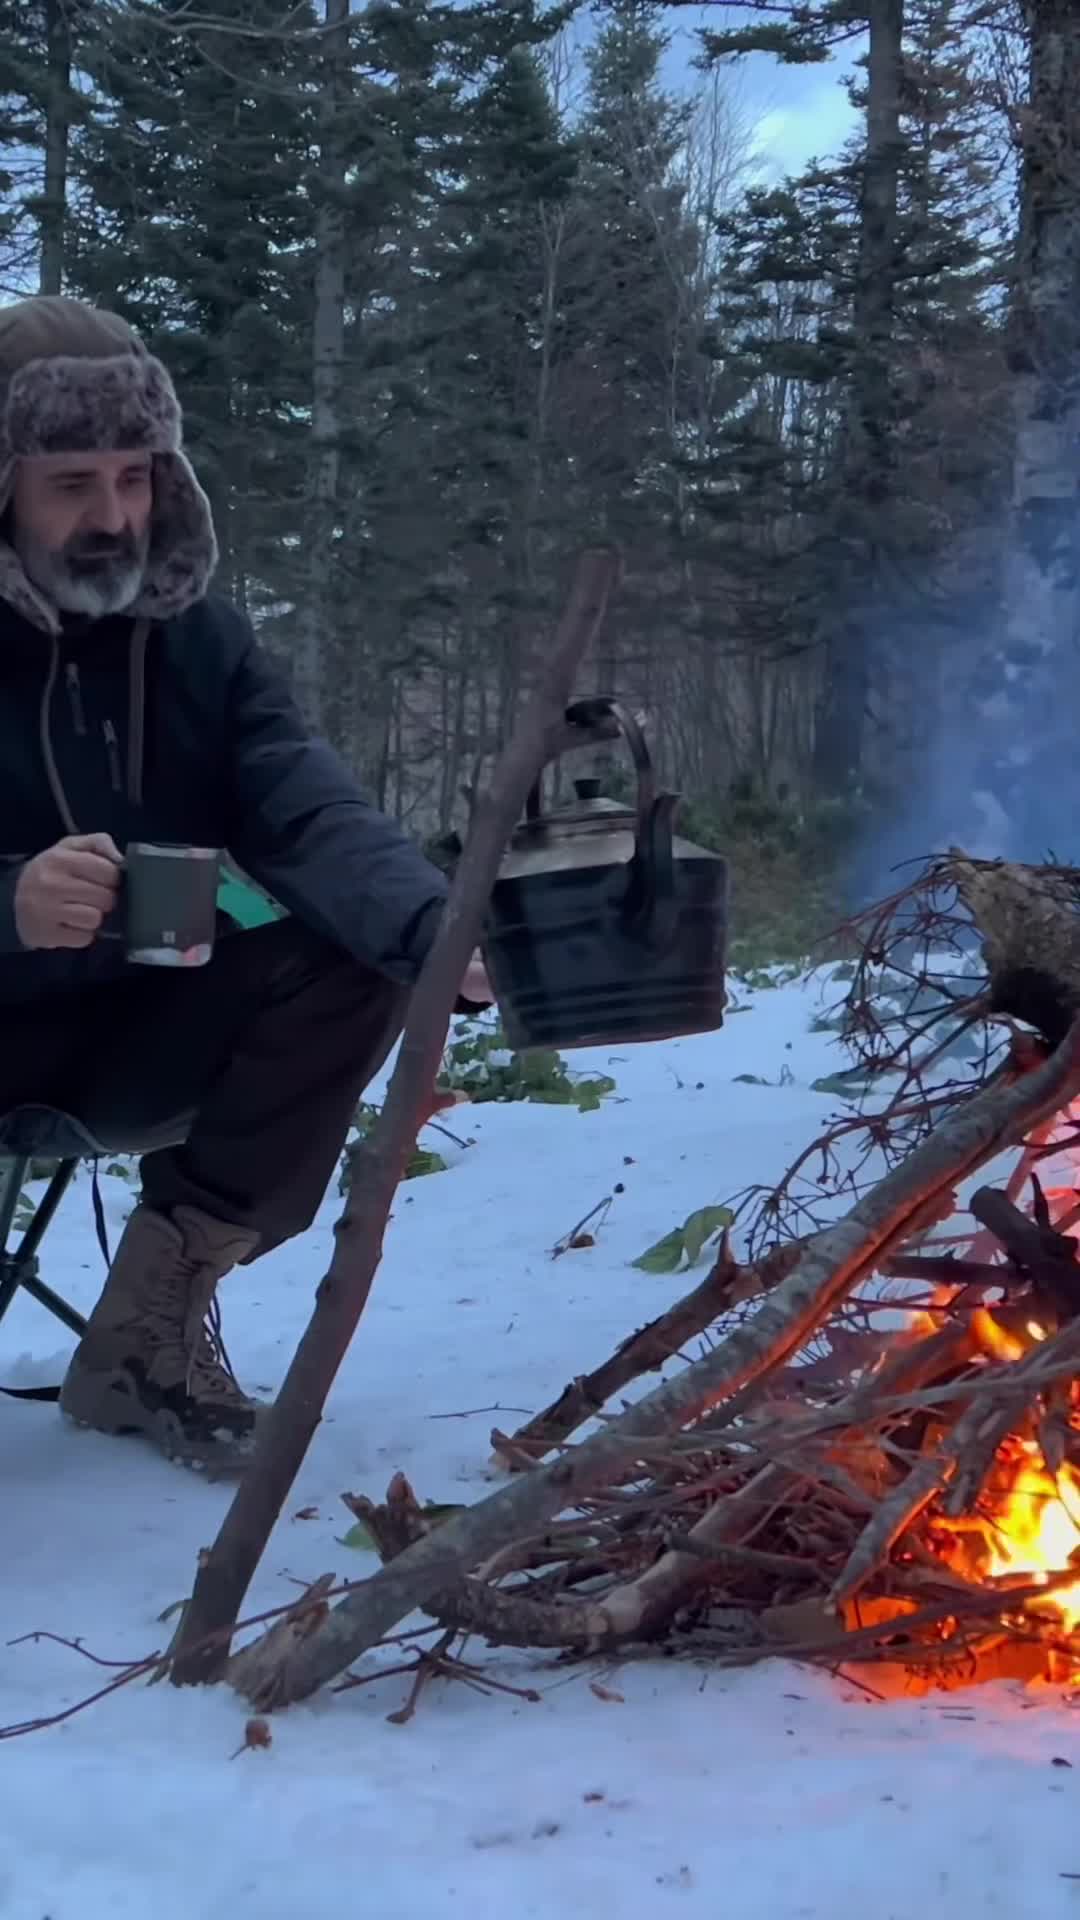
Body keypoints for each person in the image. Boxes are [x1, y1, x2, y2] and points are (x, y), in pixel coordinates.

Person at [0, 295, 490, 1470]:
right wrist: (10, 901)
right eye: (73, 483)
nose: (113, 516)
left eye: (135, 475)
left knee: (348, 958)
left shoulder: (201, 642)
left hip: (138, 1025)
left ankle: (146, 1341)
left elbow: (307, 803)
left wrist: (435, 932)